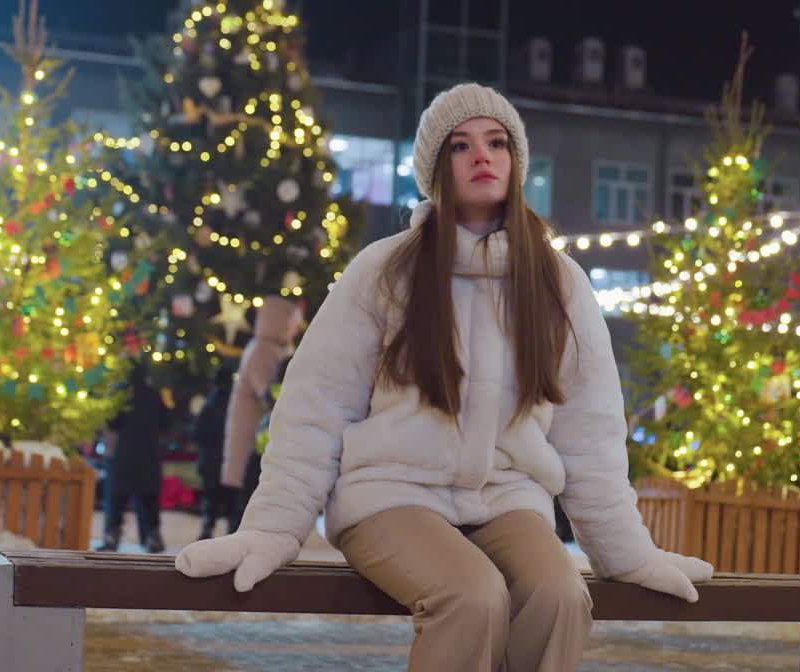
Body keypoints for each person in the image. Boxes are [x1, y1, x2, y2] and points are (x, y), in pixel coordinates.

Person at [177, 83, 713, 671]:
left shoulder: (558, 283)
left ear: (516, 160)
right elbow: (316, 409)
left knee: (559, 595)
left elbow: (590, 433)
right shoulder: (385, 271)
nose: (482, 156)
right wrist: (274, 529)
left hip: (507, 500)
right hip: (389, 496)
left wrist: (626, 553)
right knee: (472, 596)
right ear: (437, 169)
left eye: (496, 142)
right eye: (460, 146)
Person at [220, 296, 302, 527]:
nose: (295, 330)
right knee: (249, 494)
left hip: (261, 433)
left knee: (253, 495)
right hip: (254, 433)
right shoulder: (263, 350)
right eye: (293, 324)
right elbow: (268, 392)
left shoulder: (277, 348)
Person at [97, 361, 166, 553]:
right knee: (149, 499)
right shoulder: (154, 395)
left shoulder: (122, 395)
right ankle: (153, 537)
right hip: (149, 454)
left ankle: (112, 538)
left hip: (125, 454)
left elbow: (112, 422)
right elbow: (165, 422)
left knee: (118, 498)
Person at [189, 363, 237, 540]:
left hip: (210, 460)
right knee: (232, 500)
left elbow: (197, 434)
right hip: (231, 459)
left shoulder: (208, 405)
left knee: (211, 499)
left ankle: (207, 530)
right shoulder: (237, 405)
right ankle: (232, 535)